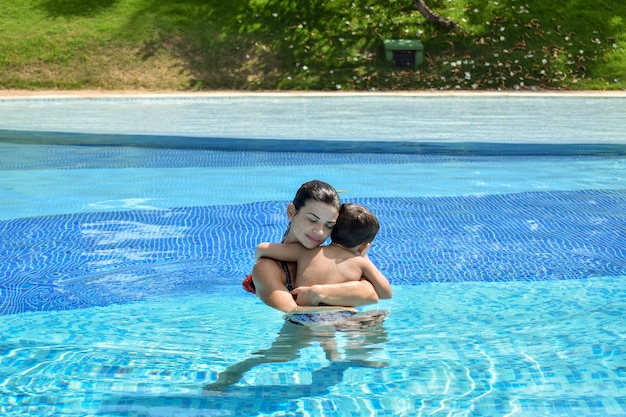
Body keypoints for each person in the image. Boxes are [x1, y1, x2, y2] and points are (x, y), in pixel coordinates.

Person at [243, 180, 381, 312]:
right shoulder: (268, 268)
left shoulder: (336, 259)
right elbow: (295, 314)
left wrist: (319, 293)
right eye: (312, 220)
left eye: (329, 225)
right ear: (291, 212)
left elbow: (371, 292)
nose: (320, 232)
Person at [255, 203, 392, 301]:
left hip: (306, 312)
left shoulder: (306, 252)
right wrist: (363, 255)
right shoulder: (360, 262)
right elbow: (386, 293)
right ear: (364, 247)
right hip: (344, 314)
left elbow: (263, 248)